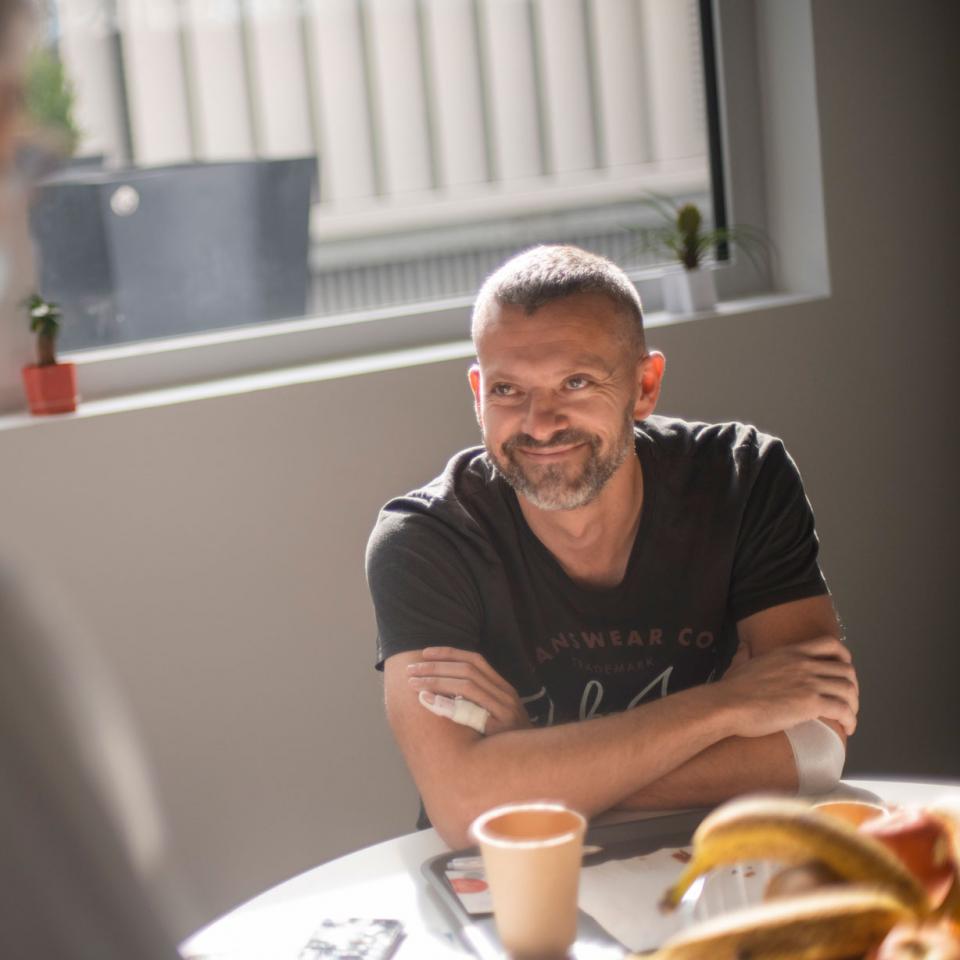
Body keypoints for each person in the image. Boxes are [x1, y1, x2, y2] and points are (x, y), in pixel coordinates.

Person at [367, 245, 858, 849]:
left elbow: (815, 746)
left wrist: (530, 767)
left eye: (576, 383)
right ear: (478, 392)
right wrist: (725, 706)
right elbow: (465, 805)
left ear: (643, 385)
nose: (539, 423)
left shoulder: (743, 478)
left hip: (719, 857)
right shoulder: (425, 540)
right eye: (507, 389)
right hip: (515, 878)